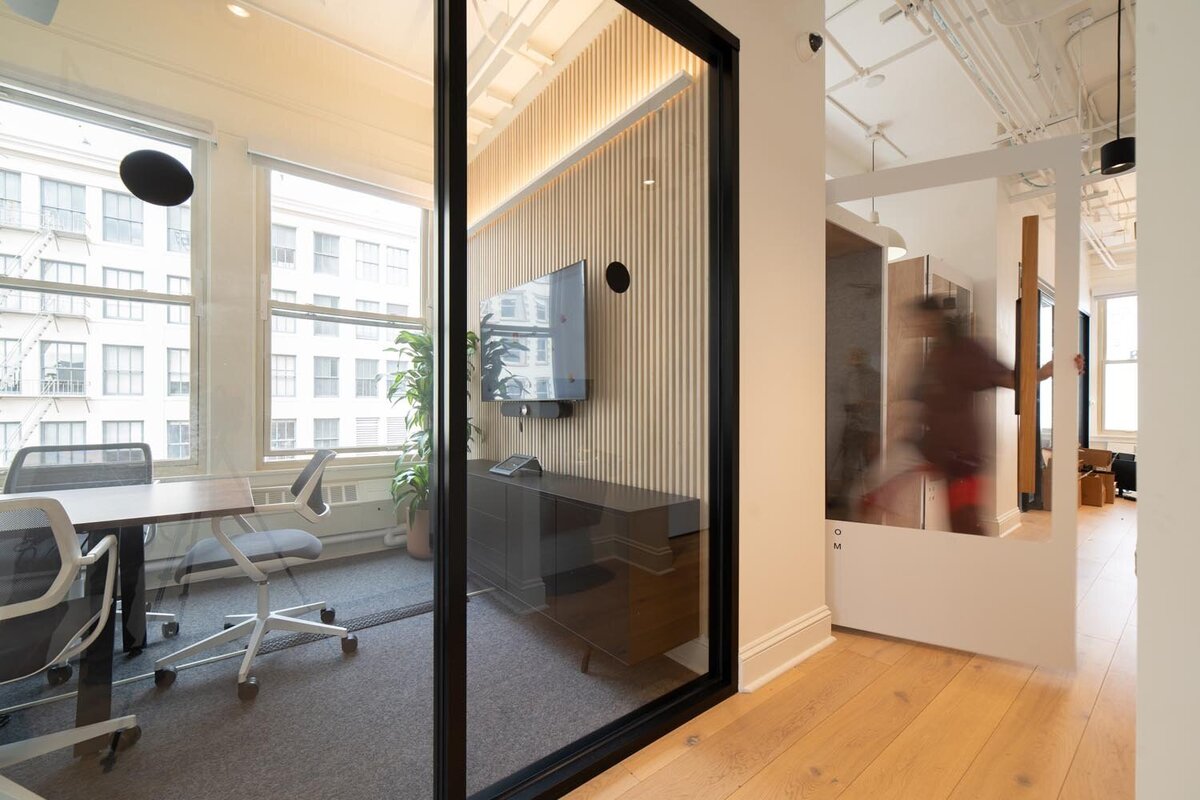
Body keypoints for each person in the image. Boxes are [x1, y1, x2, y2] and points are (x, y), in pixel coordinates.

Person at [867, 296, 1082, 535]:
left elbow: (1009, 378)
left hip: (961, 455)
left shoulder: (966, 351)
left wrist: (1042, 373)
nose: (912, 325)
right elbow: (913, 402)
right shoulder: (934, 355)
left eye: (916, 319)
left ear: (932, 318)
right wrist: (889, 435)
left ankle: (978, 564)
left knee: (964, 523)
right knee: (878, 485)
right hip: (932, 447)